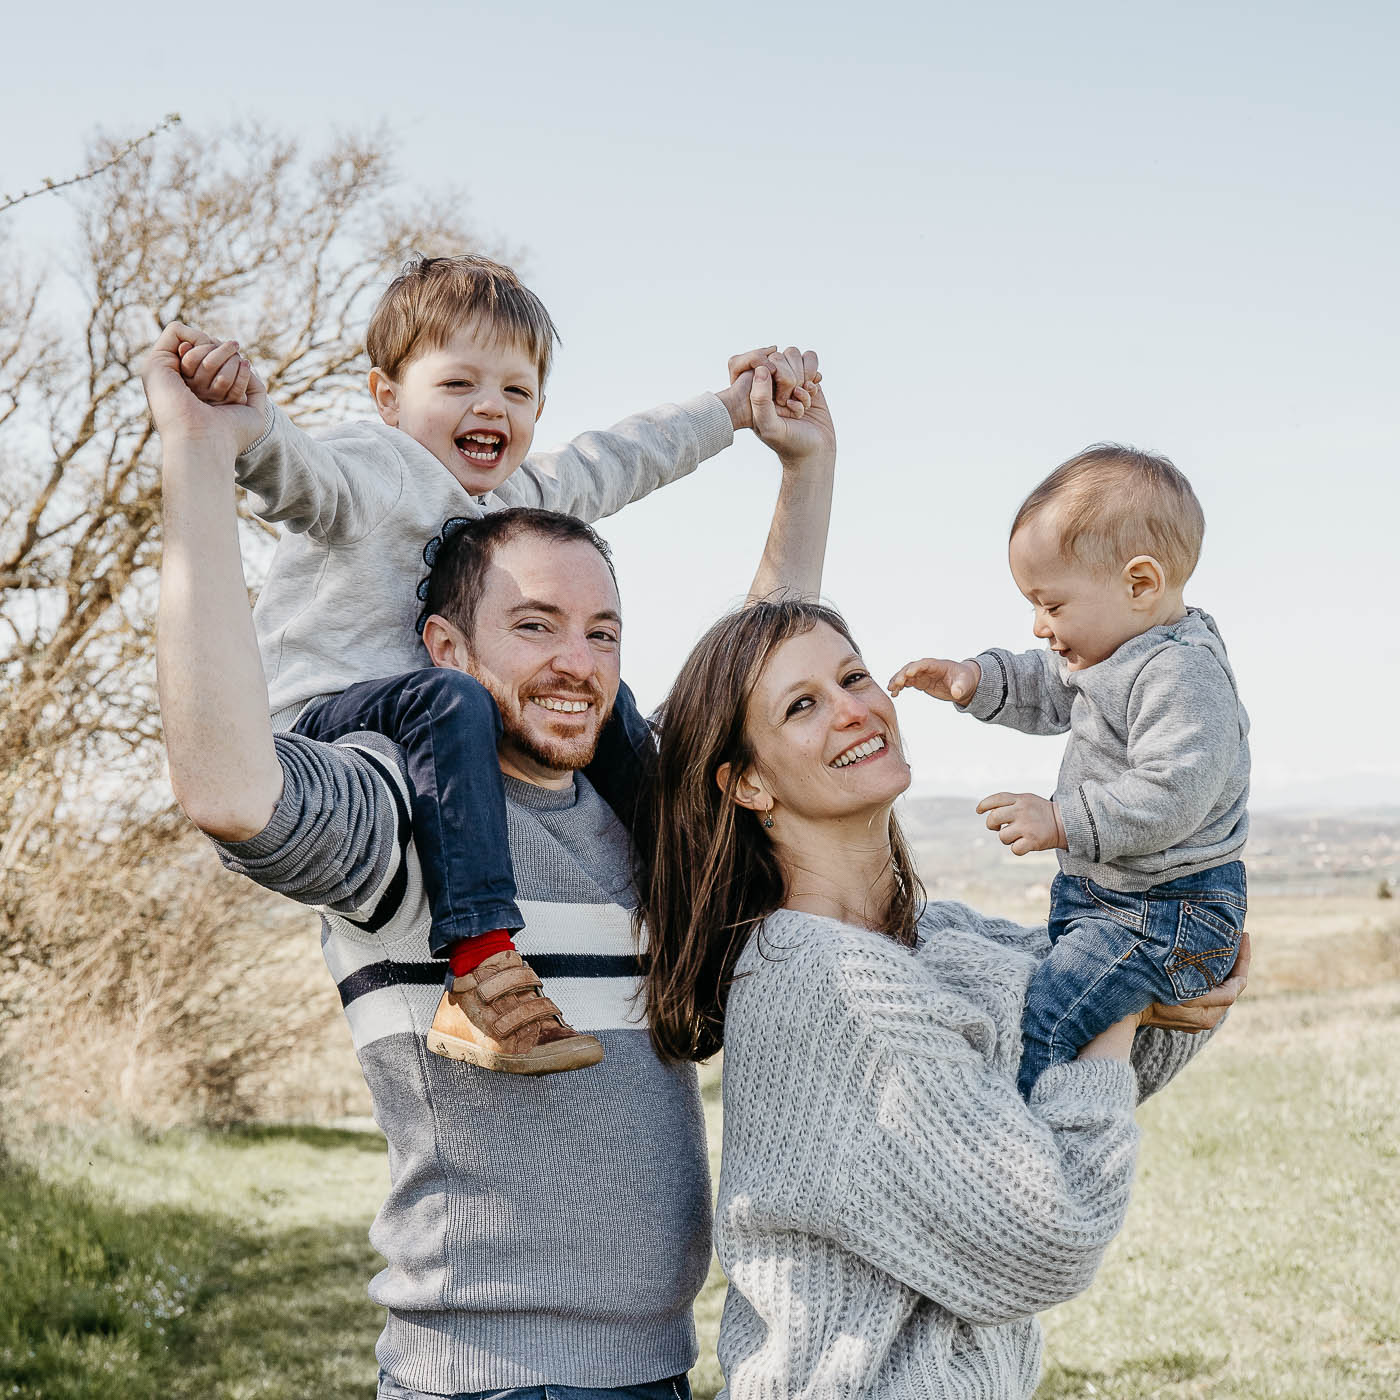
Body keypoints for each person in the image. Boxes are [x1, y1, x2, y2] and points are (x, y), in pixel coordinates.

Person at [144, 318, 837, 1399]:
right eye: (536, 624)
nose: (576, 659)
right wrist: (197, 452)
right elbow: (232, 790)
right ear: (447, 647)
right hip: (489, 1378)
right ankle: (484, 964)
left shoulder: (630, 813)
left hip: (659, 1366)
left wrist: (795, 460)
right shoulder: (400, 819)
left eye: (603, 632)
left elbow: (756, 685)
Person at [172, 250, 819, 1075]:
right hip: (320, 728)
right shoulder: (378, 466)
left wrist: (733, 408)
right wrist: (247, 422)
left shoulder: (513, 505)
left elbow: (622, 457)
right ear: (387, 398)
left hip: (436, 714)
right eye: (458, 385)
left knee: (611, 708)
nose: (491, 407)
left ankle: (685, 898)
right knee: (456, 701)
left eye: (515, 392)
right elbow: (302, 477)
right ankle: (479, 965)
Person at [635, 597, 1247, 1398]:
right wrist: (1127, 988)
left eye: (853, 676)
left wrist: (1162, 959)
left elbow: (1125, 1050)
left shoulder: (936, 942)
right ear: (748, 783)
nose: (854, 710)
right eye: (803, 705)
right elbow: (1047, 1233)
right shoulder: (829, 981)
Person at [889, 445, 1249, 1096]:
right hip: (1110, 902)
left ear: (1140, 584)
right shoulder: (1111, 654)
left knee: (1047, 1020)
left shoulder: (1184, 673)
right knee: (1054, 1009)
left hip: (1169, 912)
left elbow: (1172, 795)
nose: (1039, 625)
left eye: (1051, 605)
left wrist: (1061, 819)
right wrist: (976, 680)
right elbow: (1045, 682)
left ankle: (1024, 1156)